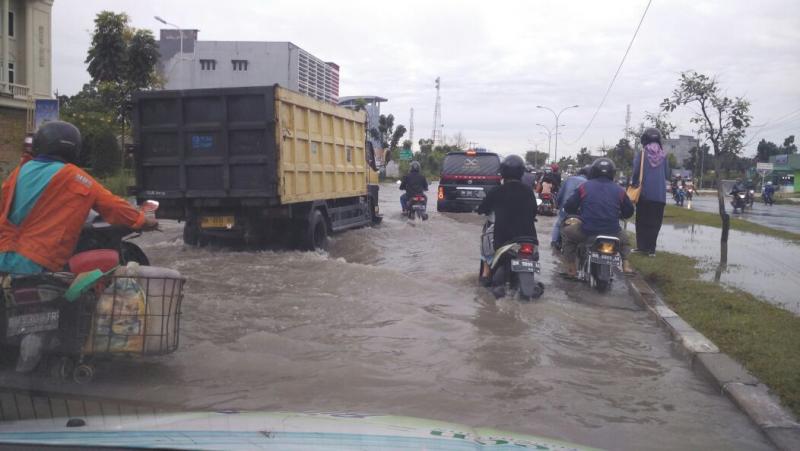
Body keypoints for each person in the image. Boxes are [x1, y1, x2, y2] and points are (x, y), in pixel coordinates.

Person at [0, 121, 158, 275]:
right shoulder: (74, 176)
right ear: (73, 148)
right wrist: (143, 221)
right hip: (37, 261)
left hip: (4, 254)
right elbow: (113, 206)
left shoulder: (19, 171)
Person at [561, 158, 634, 277]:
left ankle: (572, 268)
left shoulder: (584, 187)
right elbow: (629, 210)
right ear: (612, 172)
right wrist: (620, 215)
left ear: (593, 171)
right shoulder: (619, 190)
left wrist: (576, 212)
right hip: (613, 232)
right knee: (625, 241)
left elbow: (569, 206)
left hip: (587, 231)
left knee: (566, 234)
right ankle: (626, 265)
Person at [476, 155, 538, 280]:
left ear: (502, 172)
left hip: (504, 240)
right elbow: (534, 212)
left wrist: (480, 209)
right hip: (530, 239)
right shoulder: (528, 191)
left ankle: (486, 274)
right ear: (521, 172)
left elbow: (483, 209)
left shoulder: (497, 191)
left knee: (485, 245)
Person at [631, 128, 670, 257]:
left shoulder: (642, 153)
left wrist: (633, 182)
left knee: (642, 221)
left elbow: (636, 172)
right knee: (655, 223)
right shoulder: (664, 155)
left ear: (644, 140)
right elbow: (668, 174)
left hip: (644, 194)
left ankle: (642, 247)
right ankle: (651, 250)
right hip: (659, 196)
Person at [550, 165, 589, 249]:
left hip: (565, 209)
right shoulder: (588, 183)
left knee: (558, 224)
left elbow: (560, 194)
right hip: (579, 213)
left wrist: (557, 205)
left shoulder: (569, 179)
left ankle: (554, 243)